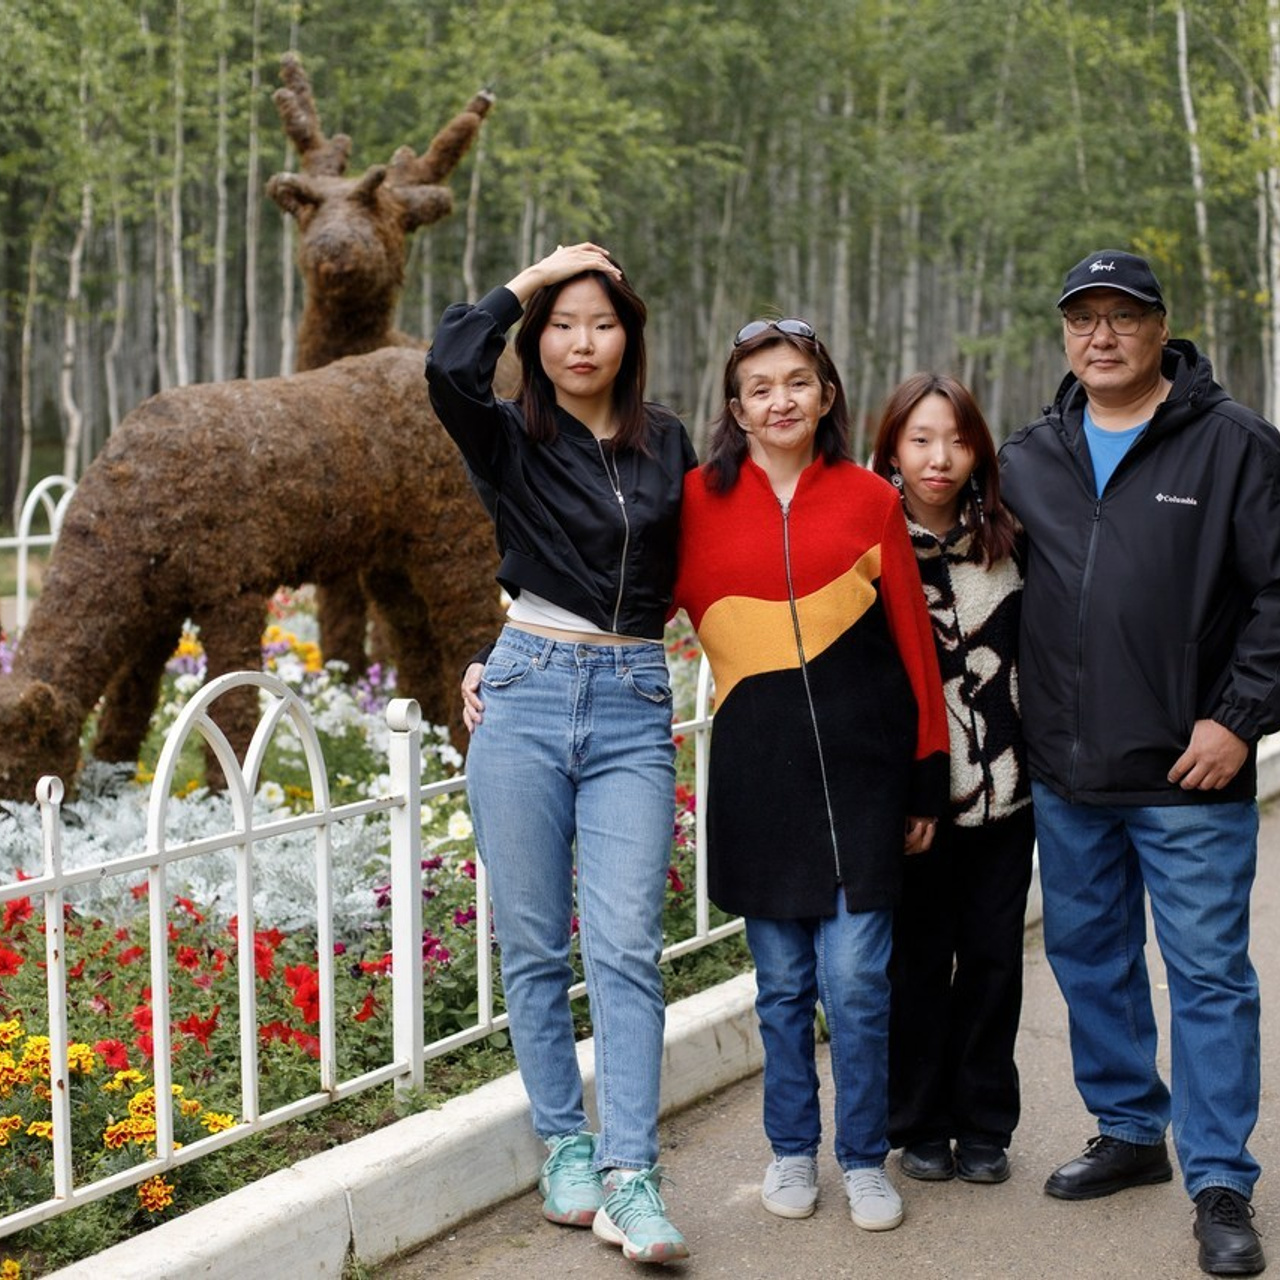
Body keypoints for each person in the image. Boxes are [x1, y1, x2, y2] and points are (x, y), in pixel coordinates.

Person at [999, 249, 1280, 1277]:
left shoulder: (1235, 446)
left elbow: (1276, 592)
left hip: (1188, 771)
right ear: (1064, 332)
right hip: (1068, 772)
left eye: (1124, 317)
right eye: (1083, 318)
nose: (1101, 335)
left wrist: (1238, 718)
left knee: (1207, 974)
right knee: (1089, 960)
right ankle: (1127, 1129)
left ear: (1163, 328)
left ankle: (1218, 1178)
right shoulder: (1029, 454)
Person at [425, 242, 697, 1266]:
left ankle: (633, 1174)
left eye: (602, 321)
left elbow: (721, 554)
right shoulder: (505, 436)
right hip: (528, 687)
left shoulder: (668, 444)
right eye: (560, 322)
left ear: (627, 337)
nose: (582, 340)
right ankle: (565, 1149)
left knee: (625, 943)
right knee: (534, 946)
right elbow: (449, 362)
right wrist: (531, 274)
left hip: (630, 695)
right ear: (536, 338)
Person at [672, 319, 950, 1231]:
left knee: (860, 981)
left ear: (826, 396)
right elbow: (610, 597)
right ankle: (791, 1148)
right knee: (784, 986)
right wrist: (495, 654)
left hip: (867, 786)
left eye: (797, 382)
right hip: (759, 785)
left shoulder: (871, 499)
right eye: (760, 386)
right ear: (736, 408)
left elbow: (914, 641)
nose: (780, 399)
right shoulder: (692, 505)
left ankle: (865, 1156)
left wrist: (924, 777)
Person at [869, 373, 1034, 1188]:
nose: (940, 458)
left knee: (996, 961)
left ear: (979, 450)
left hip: (1008, 799)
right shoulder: (870, 544)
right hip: (917, 806)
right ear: (893, 447)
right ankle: (919, 1122)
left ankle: (984, 1123)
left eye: (957, 440)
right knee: (919, 964)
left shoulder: (1010, 540)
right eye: (921, 439)